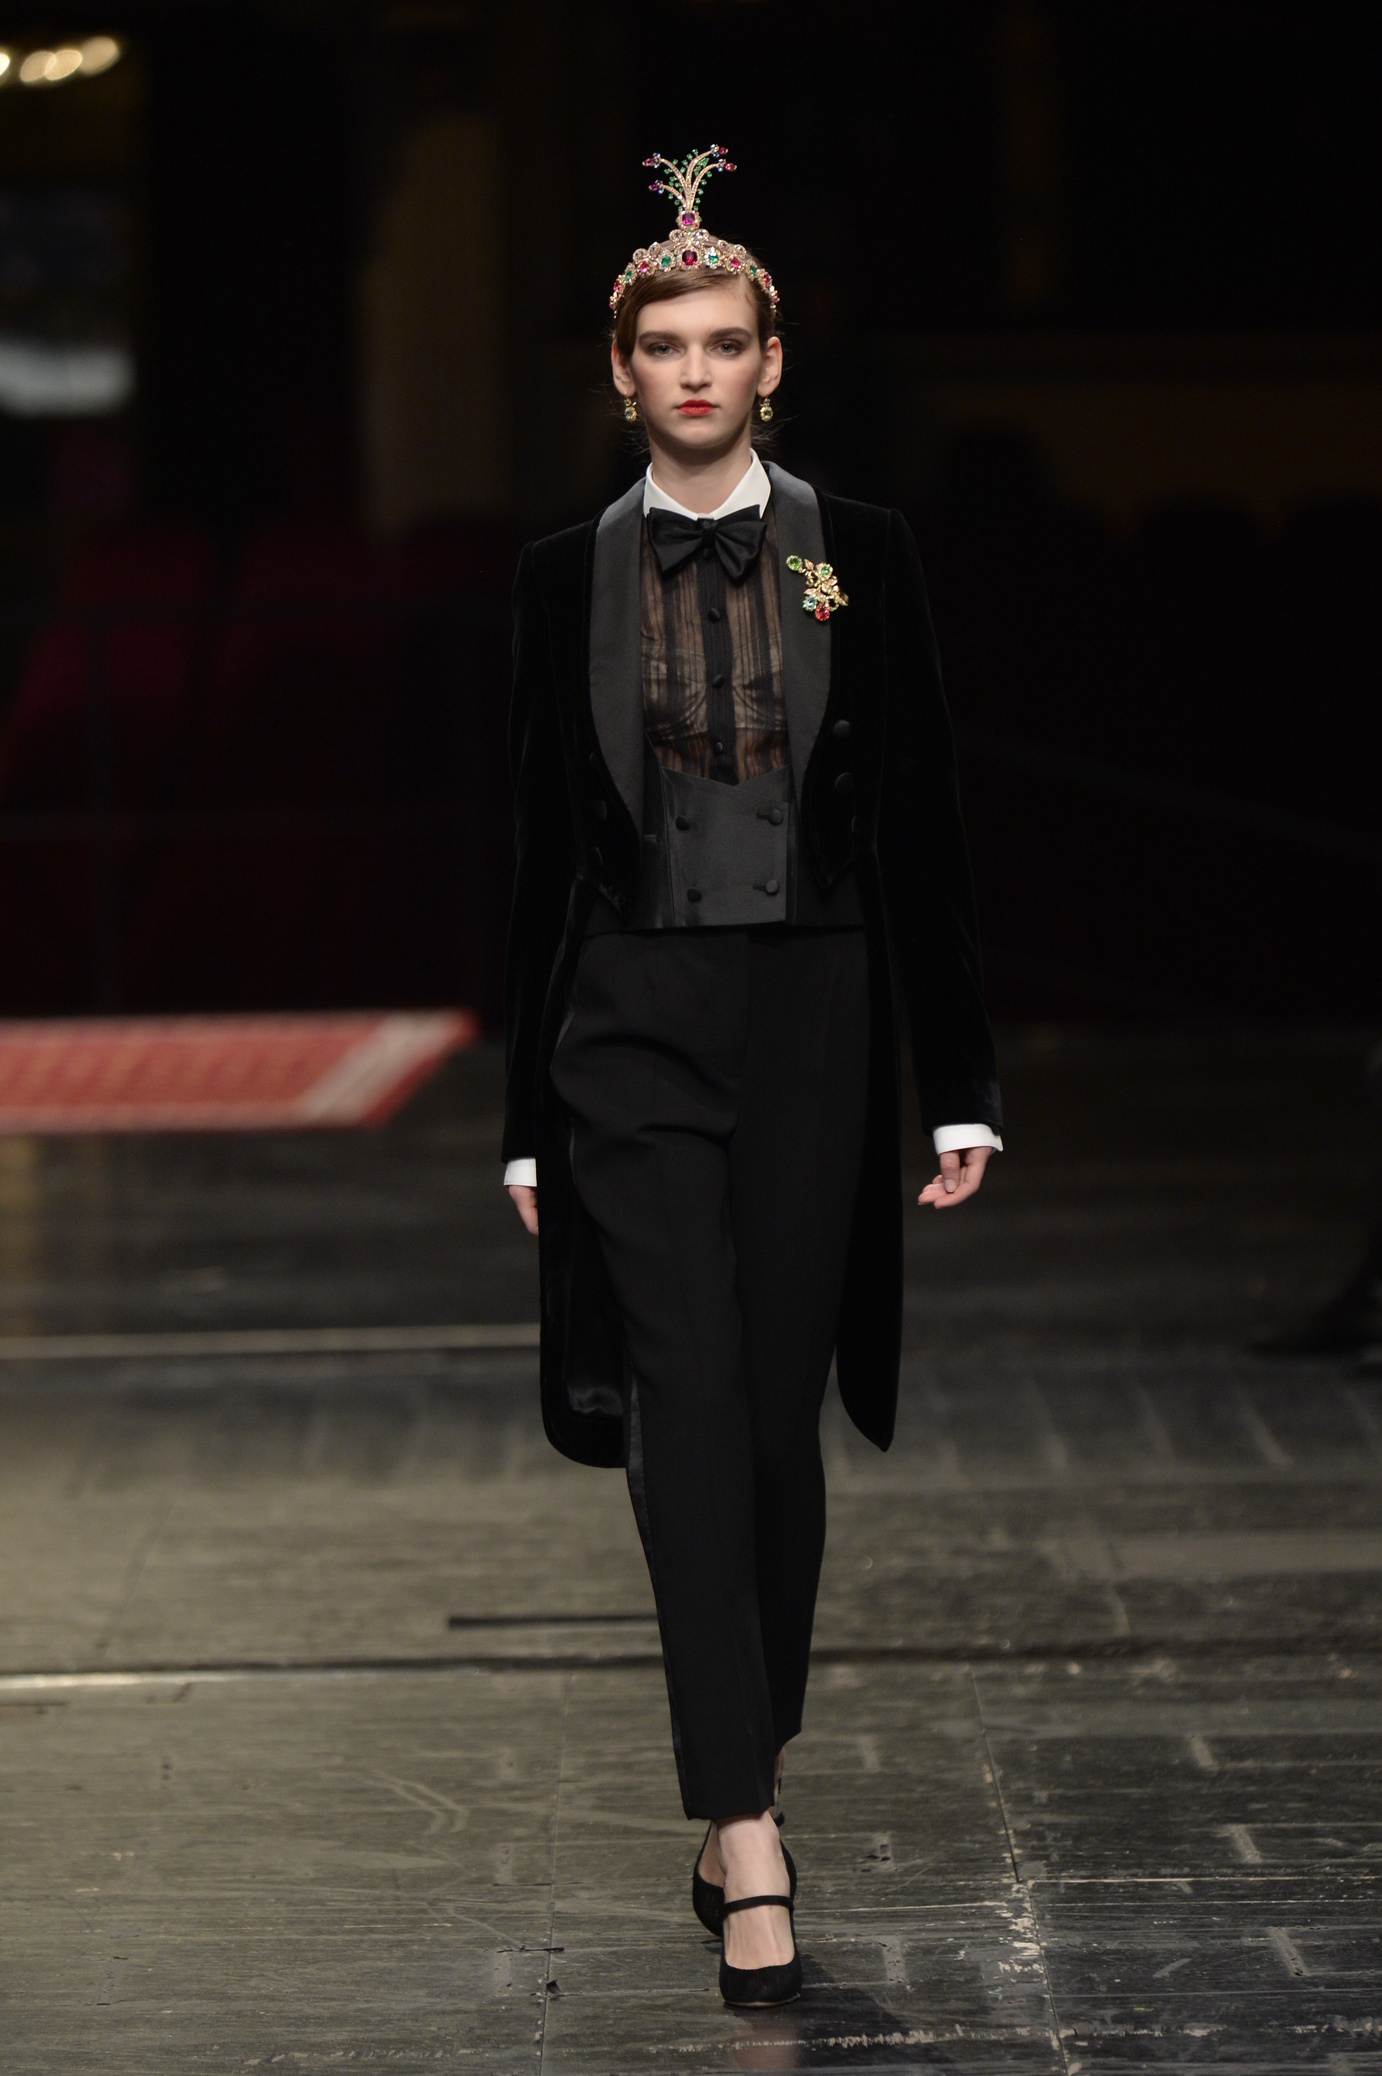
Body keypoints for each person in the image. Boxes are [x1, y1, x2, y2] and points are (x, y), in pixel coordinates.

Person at [501, 147, 1002, 2009]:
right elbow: (536, 858)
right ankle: (745, 1825)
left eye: (724, 344)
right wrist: (522, 1121)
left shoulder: (851, 552)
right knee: (686, 1411)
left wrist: (958, 1082)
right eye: (664, 348)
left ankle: (742, 1781)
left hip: (813, 1013)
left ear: (770, 362)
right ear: (621, 372)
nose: (695, 373)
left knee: (776, 1432)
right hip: (625, 1023)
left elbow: (925, 821)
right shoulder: (561, 577)